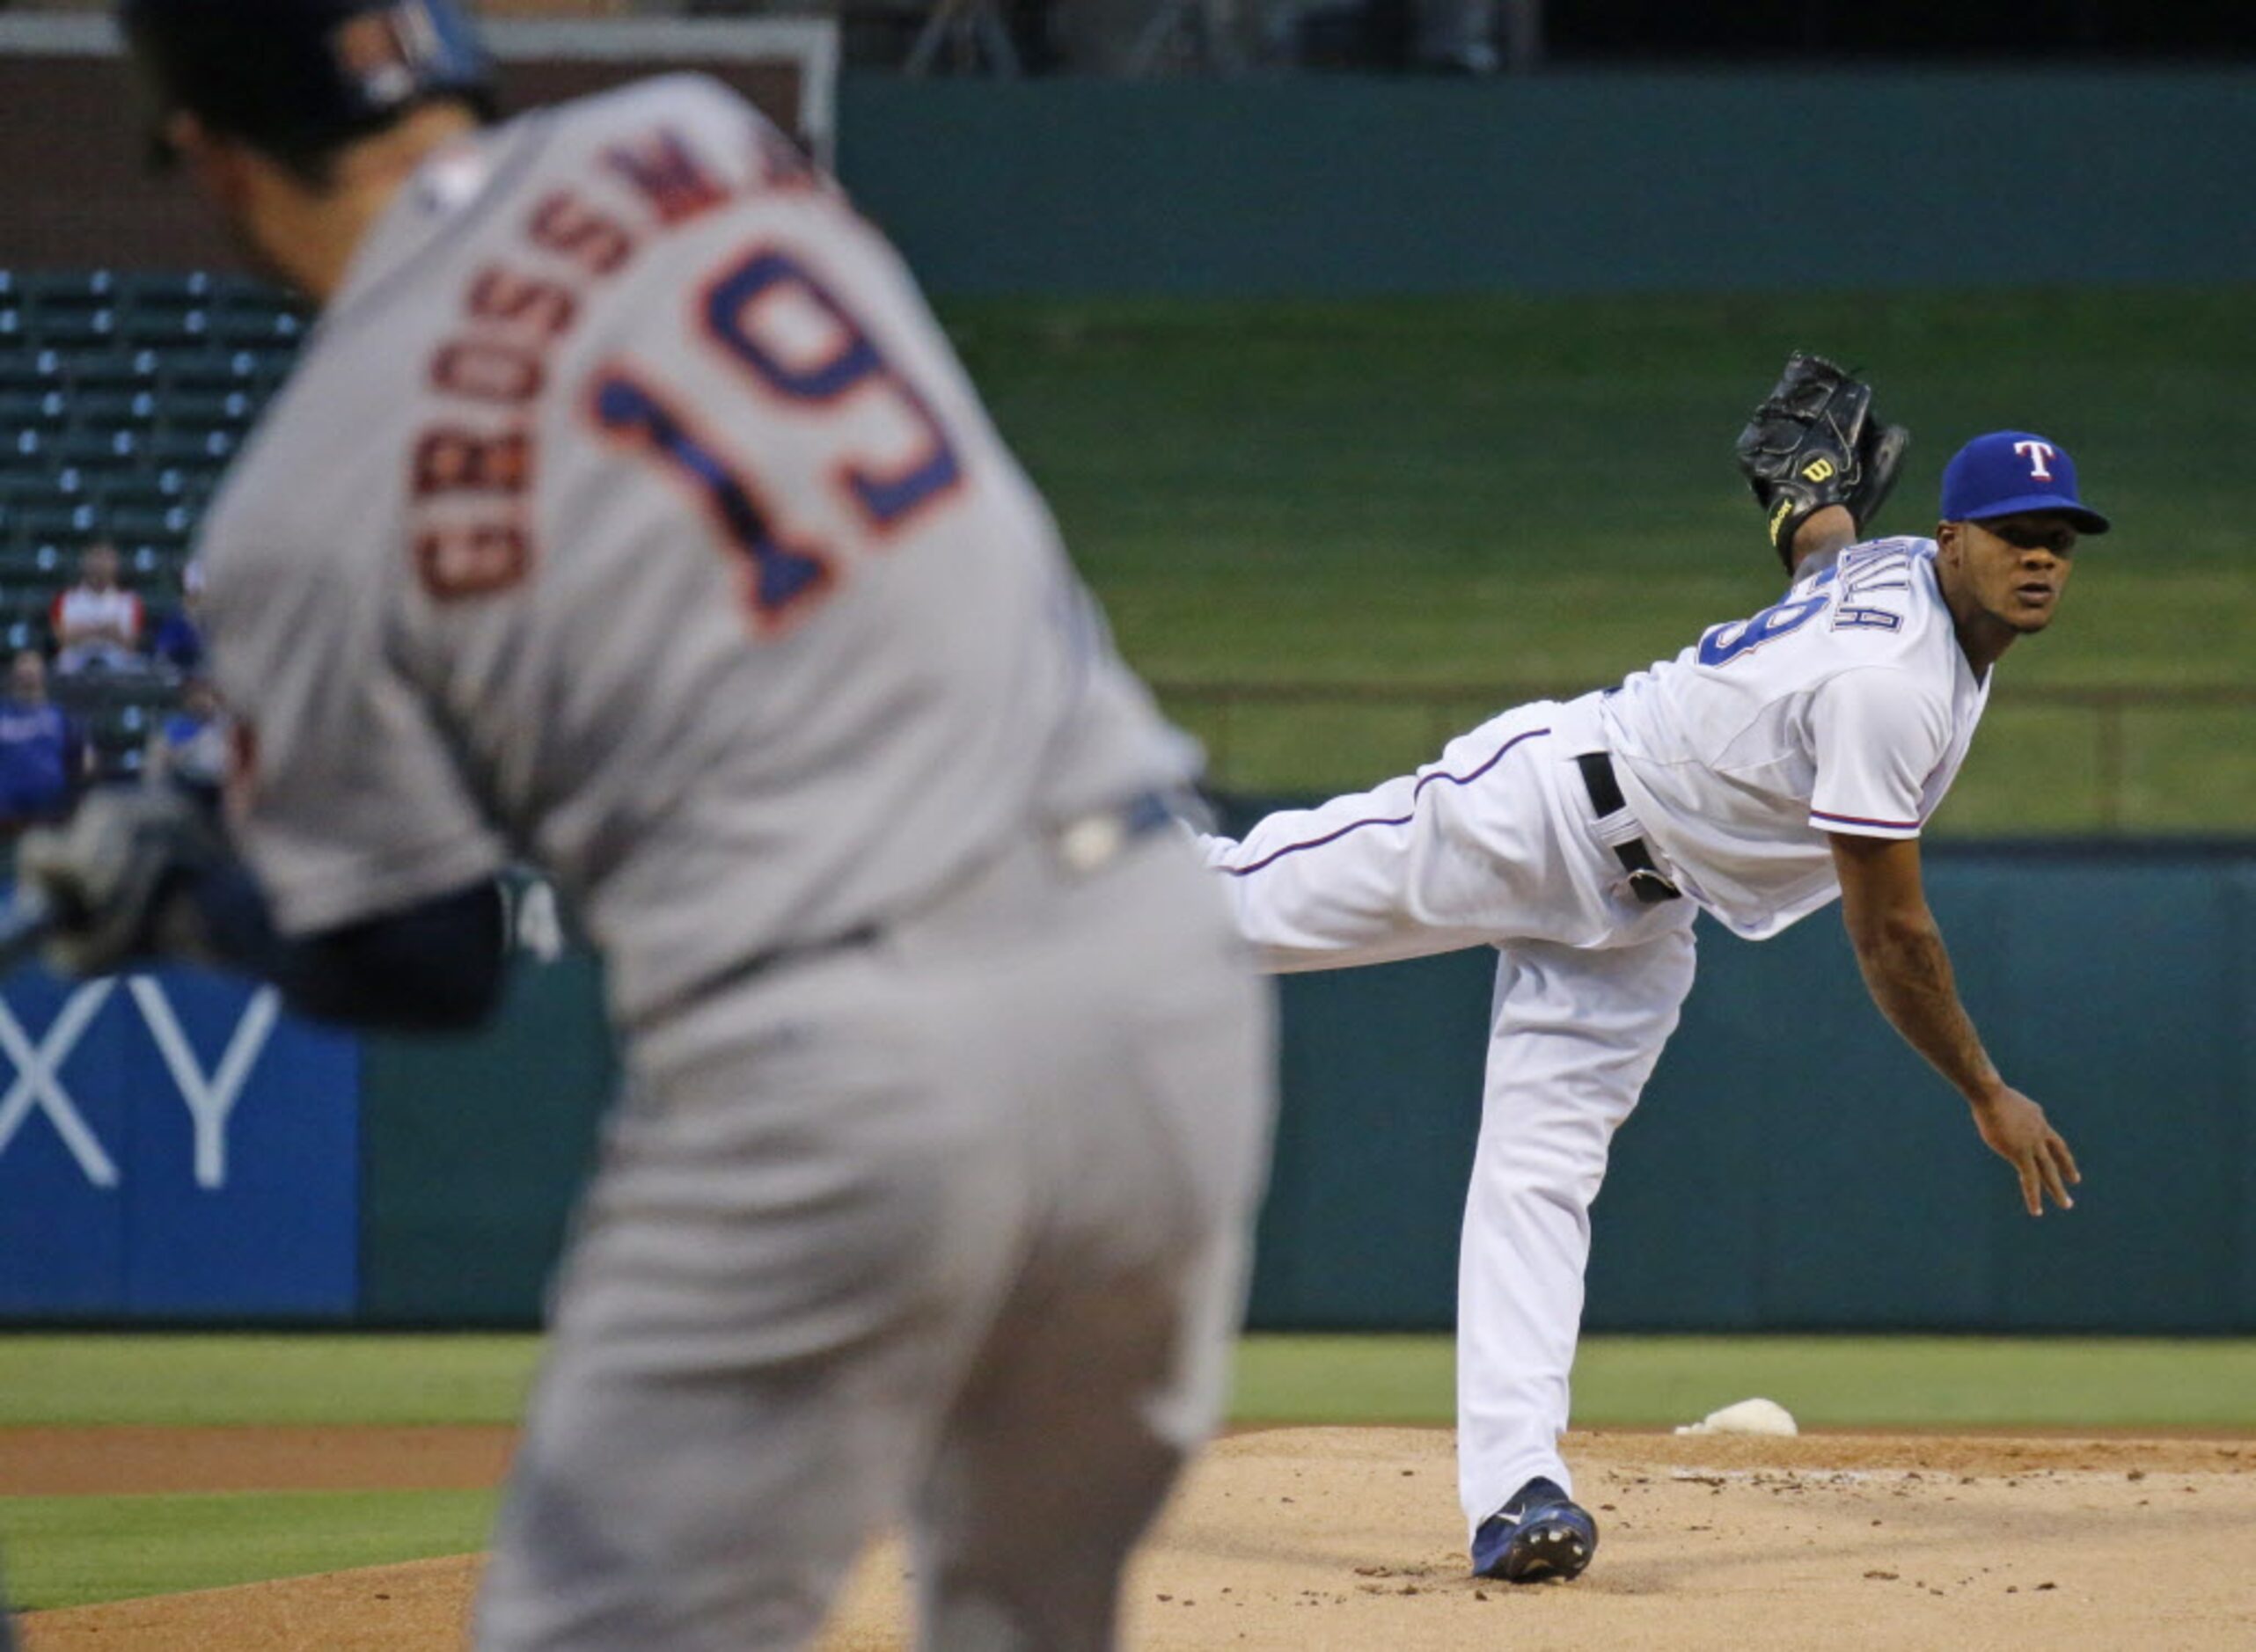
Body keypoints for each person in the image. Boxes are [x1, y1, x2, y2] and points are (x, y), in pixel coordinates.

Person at [18, 2, 1276, 1648]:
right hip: (1160, 978)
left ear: (211, 158)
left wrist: (193, 898)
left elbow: (427, 953)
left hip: (839, 1054)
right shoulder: (694, 141)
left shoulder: (296, 509)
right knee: (1029, 1618)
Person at [1198, 406, 2099, 1585]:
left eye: (2060, 536)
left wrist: (1807, 507)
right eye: (2011, 531)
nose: (2039, 555)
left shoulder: (1899, 582)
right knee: (1225, 918)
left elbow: (1831, 554)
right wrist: (1985, 1088)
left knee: (1542, 1180)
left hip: (1643, 916)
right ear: (1949, 540)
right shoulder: (1897, 683)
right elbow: (1892, 932)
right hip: (1544, 811)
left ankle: (1517, 1492)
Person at [0, 649, 93, 830]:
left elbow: (86, 760)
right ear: (13, 674)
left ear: (42, 674)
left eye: (33, 666)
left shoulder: (59, 715)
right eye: (23, 666)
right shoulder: (2, 714)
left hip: (50, 809)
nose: (28, 672)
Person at [48, 541, 149, 677]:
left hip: (118, 672)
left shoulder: (129, 602)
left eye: (106, 559)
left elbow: (132, 644)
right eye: (96, 557)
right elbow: (60, 639)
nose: (100, 565)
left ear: (115, 564)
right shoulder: (66, 599)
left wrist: (83, 631)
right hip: (73, 671)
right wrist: (104, 631)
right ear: (85, 562)